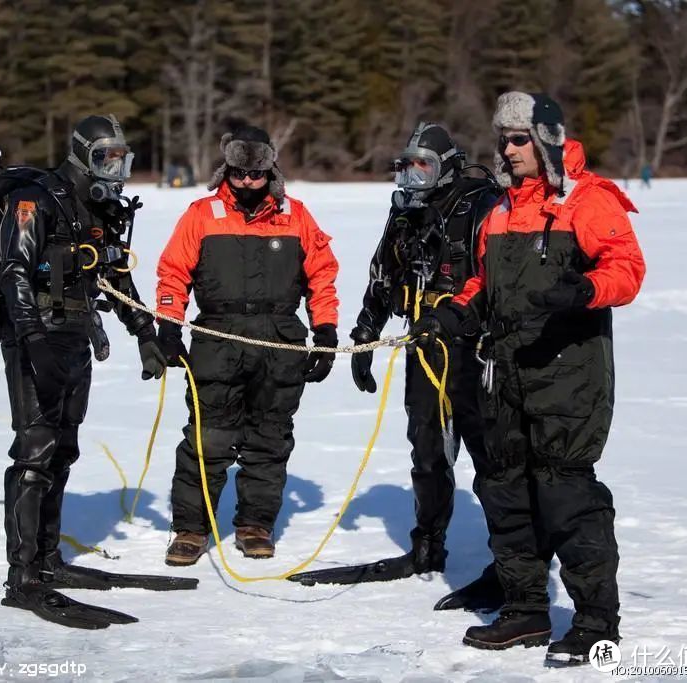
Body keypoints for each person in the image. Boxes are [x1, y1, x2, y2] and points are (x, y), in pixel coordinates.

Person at [411, 92, 645, 665]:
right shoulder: (501, 209)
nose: (509, 150)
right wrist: (454, 311)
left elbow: (627, 268)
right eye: (504, 141)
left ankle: (595, 624)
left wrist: (585, 290)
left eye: (519, 140)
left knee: (566, 493)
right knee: (506, 489)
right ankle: (524, 611)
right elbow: (482, 285)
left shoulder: (588, 201)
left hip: (567, 376)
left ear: (547, 140)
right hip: (505, 372)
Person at [0, 114, 196, 628]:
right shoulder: (36, 200)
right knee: (34, 453)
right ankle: (22, 575)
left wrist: (146, 336)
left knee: (63, 449)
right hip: (35, 340)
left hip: (76, 338)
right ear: (84, 153)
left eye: (122, 158)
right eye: (107, 157)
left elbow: (116, 274)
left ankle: (47, 559)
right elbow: (14, 270)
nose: (117, 168)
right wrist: (31, 338)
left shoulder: (102, 208)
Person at [287, 123, 502, 589]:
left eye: (422, 166)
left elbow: (495, 280)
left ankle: (512, 561)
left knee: (492, 458)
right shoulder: (405, 211)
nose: (411, 178)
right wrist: (366, 332)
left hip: (473, 350)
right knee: (427, 451)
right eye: (405, 167)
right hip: (422, 344)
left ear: (446, 168)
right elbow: (385, 272)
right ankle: (428, 546)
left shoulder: (481, 204)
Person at [156, 125, 340, 566]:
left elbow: (322, 275)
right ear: (228, 169)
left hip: (280, 342)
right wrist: (168, 325)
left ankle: (255, 524)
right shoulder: (201, 214)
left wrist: (327, 330)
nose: (247, 183)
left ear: (270, 171)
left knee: (269, 439)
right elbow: (172, 273)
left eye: (256, 175)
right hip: (218, 339)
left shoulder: (296, 215)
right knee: (208, 438)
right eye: (238, 174)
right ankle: (191, 528)